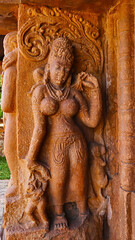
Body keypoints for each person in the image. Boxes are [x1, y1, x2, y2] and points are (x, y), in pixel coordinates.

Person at [26, 37, 102, 230]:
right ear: (49, 66)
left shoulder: (73, 93)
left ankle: (84, 212)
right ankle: (59, 214)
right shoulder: (40, 92)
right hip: (56, 143)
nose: (62, 73)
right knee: (58, 179)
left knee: (79, 178)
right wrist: (31, 158)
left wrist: (96, 92)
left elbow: (91, 121)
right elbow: (39, 127)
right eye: (58, 67)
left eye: (66, 69)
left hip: (77, 141)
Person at [1, 32, 18, 197]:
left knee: (10, 149)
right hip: (12, 117)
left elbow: (6, 104)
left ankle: (16, 180)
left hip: (13, 118)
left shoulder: (11, 70)